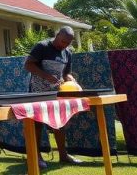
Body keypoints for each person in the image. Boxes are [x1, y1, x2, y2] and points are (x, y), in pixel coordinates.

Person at [24, 26, 81, 169]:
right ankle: (36, 156)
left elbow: (66, 73)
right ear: (57, 35)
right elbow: (28, 65)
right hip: (38, 92)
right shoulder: (42, 46)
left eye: (68, 43)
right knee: (37, 124)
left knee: (59, 122)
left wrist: (72, 81)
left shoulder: (67, 53)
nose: (65, 45)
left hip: (56, 93)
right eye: (63, 42)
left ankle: (63, 155)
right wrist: (47, 76)